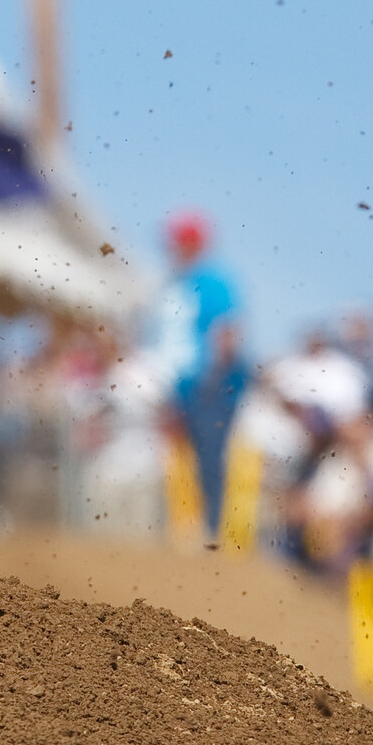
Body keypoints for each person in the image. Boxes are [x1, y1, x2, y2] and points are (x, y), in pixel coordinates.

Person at [150, 210, 247, 539]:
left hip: (208, 385)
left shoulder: (214, 281)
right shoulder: (170, 283)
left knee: (209, 458)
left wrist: (214, 378)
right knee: (173, 458)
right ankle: (179, 529)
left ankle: (211, 532)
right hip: (174, 386)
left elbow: (228, 331)